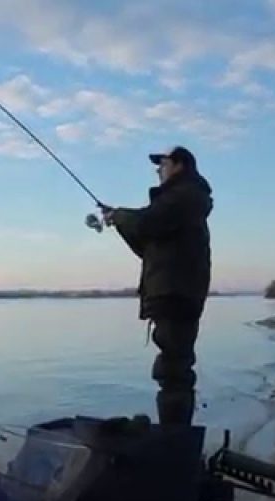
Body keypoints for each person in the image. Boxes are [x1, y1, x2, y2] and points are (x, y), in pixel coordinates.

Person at [101, 146, 213, 427]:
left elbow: (149, 222)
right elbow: (147, 244)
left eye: (162, 164)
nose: (158, 170)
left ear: (179, 164)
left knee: (173, 370)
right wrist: (119, 220)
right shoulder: (181, 201)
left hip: (175, 294)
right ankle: (174, 434)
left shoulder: (184, 196)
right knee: (173, 368)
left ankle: (175, 440)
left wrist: (122, 216)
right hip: (174, 293)